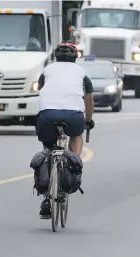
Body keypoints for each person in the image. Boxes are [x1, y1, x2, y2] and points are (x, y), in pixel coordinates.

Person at [36, 42, 95, 217]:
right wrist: (89, 121)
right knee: (76, 135)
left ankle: (47, 195)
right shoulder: (81, 73)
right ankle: (73, 164)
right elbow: (89, 100)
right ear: (75, 58)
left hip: (47, 114)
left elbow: (41, 90)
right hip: (74, 115)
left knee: (48, 148)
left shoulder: (47, 70)